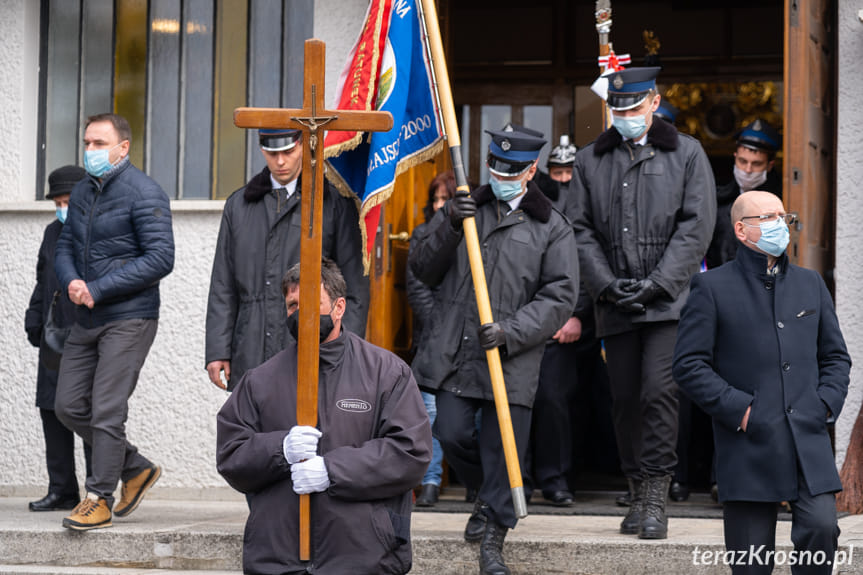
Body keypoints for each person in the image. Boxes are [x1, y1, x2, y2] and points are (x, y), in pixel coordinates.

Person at [410, 123, 578, 575]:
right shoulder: (466, 210)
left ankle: (493, 542)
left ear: (532, 170)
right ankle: (488, 498)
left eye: (513, 169)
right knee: (451, 432)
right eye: (496, 167)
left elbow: (560, 296)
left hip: (511, 355)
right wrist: (447, 222)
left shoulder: (551, 227)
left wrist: (511, 330)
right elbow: (422, 268)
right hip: (455, 352)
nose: (502, 175)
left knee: (502, 448)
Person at [571, 67, 716, 539]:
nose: (627, 117)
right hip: (614, 298)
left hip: (668, 301)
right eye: (619, 110)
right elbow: (580, 229)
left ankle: (656, 493)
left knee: (660, 392)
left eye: (634, 108)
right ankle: (636, 488)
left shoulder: (687, 153)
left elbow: (696, 227)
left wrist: (657, 283)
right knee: (625, 398)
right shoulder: (591, 159)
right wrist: (606, 284)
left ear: (654, 102)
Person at [216, 258, 431, 575]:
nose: (299, 314)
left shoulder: (385, 373)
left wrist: (333, 469)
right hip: (278, 558)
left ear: (339, 307)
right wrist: (280, 449)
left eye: (311, 304)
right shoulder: (260, 381)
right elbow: (231, 455)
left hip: (362, 557)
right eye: (292, 305)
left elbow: (410, 452)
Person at [673, 190, 850, 575]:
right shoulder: (712, 288)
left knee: (822, 530)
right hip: (748, 445)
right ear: (741, 230)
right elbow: (688, 365)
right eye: (768, 217)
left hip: (808, 438)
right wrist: (742, 411)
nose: (780, 225)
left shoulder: (810, 284)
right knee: (752, 562)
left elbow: (835, 357)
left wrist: (824, 405)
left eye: (783, 216)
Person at [53, 113, 174, 530]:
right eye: (87, 143)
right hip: (86, 317)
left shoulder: (145, 192)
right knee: (67, 406)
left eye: (99, 144)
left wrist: (98, 288)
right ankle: (136, 466)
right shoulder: (84, 190)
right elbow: (65, 242)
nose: (90, 151)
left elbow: (161, 258)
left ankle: (98, 497)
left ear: (123, 148)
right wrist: (71, 281)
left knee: (106, 408)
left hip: (129, 316)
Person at [205, 128, 368, 392]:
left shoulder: (333, 202)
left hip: (314, 344)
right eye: (272, 153)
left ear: (303, 146)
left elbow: (354, 288)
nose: (280, 162)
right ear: (261, 150)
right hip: (251, 343)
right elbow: (223, 284)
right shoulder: (239, 205)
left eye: (288, 152)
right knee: (251, 427)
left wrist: (344, 347)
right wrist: (217, 349)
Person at [24, 165, 92, 512]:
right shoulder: (53, 232)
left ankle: (98, 492)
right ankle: (62, 489)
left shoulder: (98, 230)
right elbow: (43, 280)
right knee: (51, 411)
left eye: (69, 201)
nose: (63, 207)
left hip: (88, 336)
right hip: (53, 337)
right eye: (58, 202)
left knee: (90, 412)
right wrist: (34, 319)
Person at [523, 134, 582, 506]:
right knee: (516, 406)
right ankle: (520, 481)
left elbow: (584, 268)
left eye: (569, 172)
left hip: (559, 326)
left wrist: (576, 315)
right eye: (556, 172)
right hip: (518, 326)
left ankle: (555, 479)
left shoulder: (582, 211)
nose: (563, 180)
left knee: (555, 403)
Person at [406, 170, 455, 507]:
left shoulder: (470, 234)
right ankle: (431, 480)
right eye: (435, 200)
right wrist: (441, 325)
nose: (440, 206)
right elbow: (417, 288)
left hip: (465, 336)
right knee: (431, 412)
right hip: (432, 337)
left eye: (446, 199)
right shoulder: (421, 236)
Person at [706, 118, 782, 269]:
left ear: (769, 166)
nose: (747, 170)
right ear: (735, 158)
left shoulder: (781, 205)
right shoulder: (718, 201)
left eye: (756, 164)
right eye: (742, 161)